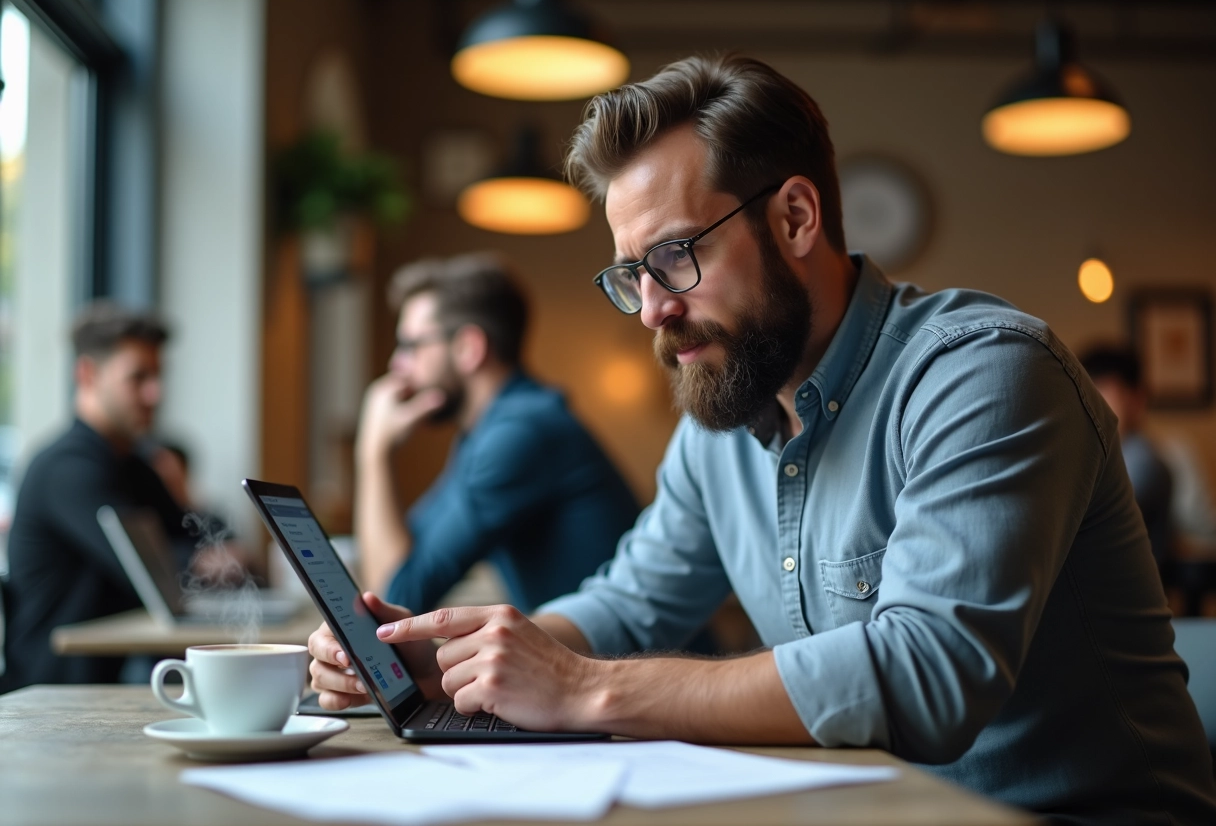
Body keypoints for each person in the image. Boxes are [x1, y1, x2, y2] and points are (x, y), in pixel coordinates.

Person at [311, 56, 1216, 823]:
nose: (654, 308)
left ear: (795, 217)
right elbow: (628, 608)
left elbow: (930, 675)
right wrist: (447, 661)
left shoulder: (982, 374)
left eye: (675, 256)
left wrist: (588, 691)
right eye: (632, 274)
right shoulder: (720, 421)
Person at [354, 254, 638, 615]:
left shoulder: (520, 435)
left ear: (469, 348)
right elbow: (406, 558)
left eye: (412, 345)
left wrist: (373, 452)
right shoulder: (490, 431)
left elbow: (394, 599)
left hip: (647, 668)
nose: (397, 364)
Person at [0, 303, 200, 692]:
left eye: (158, 376)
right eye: (138, 377)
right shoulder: (64, 468)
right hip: (52, 697)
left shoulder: (136, 465)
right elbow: (156, 566)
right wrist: (203, 560)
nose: (154, 393)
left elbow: (194, 542)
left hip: (119, 682)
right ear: (88, 374)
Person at [1080, 345, 1175, 567]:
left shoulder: (1143, 462)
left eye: (1102, 390)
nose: (1090, 404)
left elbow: (1093, 524)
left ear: (1137, 398)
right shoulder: (1099, 457)